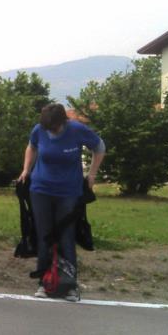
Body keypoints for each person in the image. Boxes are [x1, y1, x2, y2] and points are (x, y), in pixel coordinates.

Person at [18, 103, 105, 301]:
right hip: (40, 190)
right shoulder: (39, 129)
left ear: (63, 121)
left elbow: (99, 147)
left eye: (54, 127)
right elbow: (31, 147)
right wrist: (26, 169)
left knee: (66, 235)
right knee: (44, 235)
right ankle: (44, 283)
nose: (51, 131)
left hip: (69, 191)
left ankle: (69, 286)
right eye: (48, 128)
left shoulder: (77, 129)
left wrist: (92, 174)